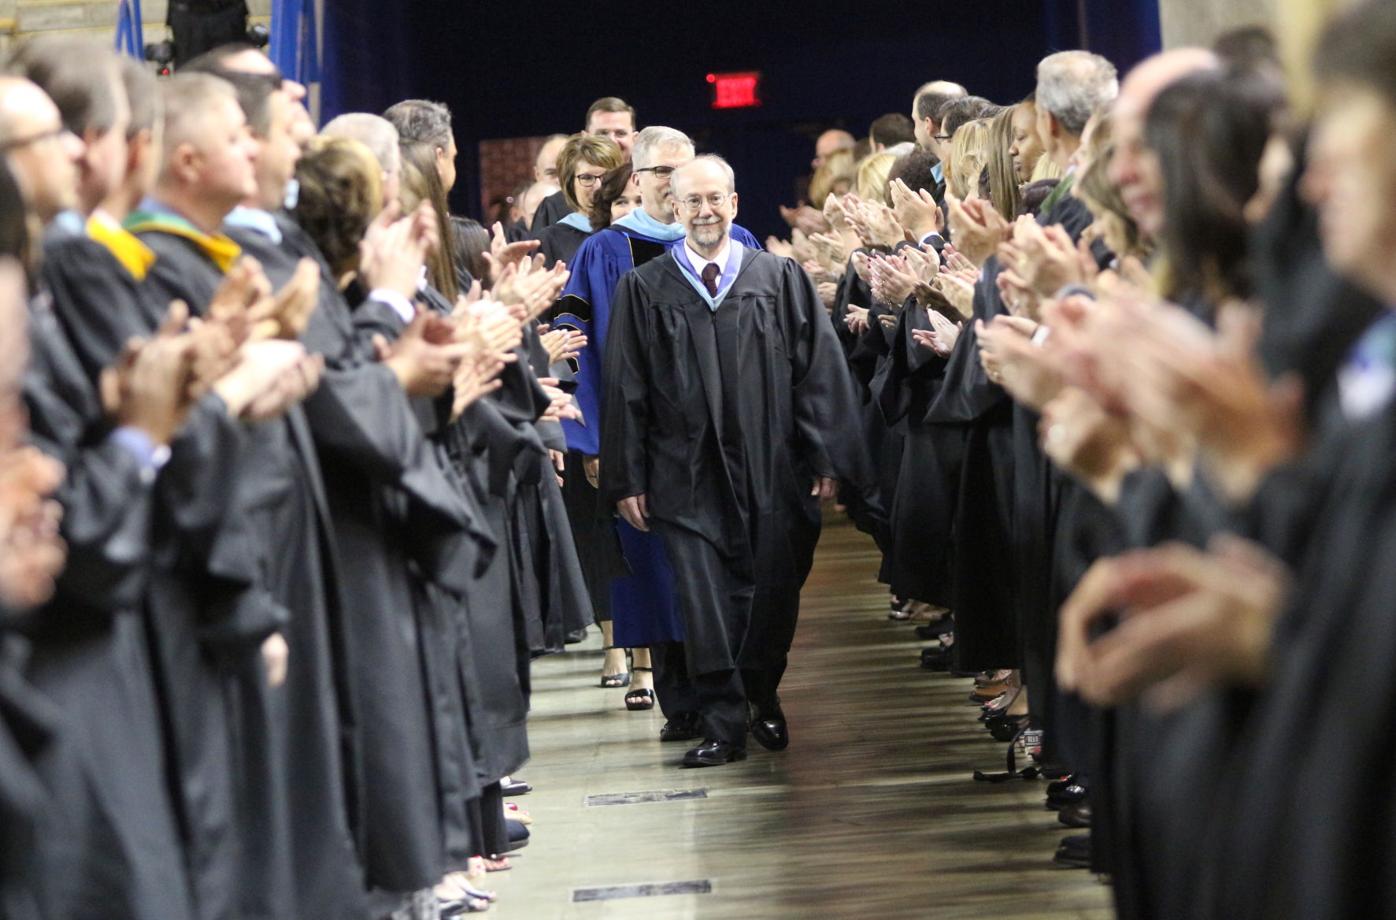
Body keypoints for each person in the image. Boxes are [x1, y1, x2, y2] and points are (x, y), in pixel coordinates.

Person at [600, 155, 875, 766]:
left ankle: (762, 696)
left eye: (714, 199)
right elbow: (627, 388)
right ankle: (724, 722)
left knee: (772, 593)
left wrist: (826, 453)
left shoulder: (777, 278)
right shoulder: (644, 289)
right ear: (673, 207)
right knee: (703, 600)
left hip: (772, 467)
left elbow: (817, 373)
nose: (704, 211)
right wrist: (628, 476)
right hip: (682, 472)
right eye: (691, 201)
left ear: (734, 203)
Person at [554, 127, 762, 725]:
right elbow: (577, 346)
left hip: (729, 442)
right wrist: (594, 440)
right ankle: (681, 703)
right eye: (662, 173)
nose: (675, 184)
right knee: (654, 572)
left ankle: (742, 695)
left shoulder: (737, 242)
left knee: (731, 569)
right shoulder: (604, 251)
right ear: (636, 179)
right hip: (644, 443)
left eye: (684, 170)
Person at [532, 96, 637, 232]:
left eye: (620, 133)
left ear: (635, 139)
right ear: (585, 137)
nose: (611, 141)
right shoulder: (554, 206)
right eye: (602, 133)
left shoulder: (647, 194)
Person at [534, 133, 623, 269]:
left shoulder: (635, 231)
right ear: (570, 184)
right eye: (587, 178)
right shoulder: (550, 240)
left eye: (606, 176)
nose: (598, 186)